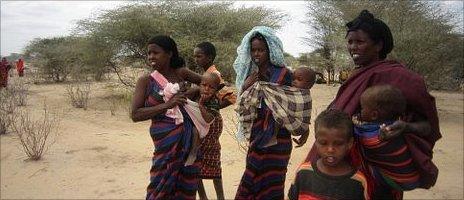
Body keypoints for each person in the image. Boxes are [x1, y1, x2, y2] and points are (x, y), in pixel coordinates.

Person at [305, 10, 440, 199]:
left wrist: (405, 127)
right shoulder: (356, 75)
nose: (353, 47)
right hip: (348, 168)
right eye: (350, 42)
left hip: (383, 172)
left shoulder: (399, 77)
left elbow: (427, 126)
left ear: (378, 45)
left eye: (360, 42)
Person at [234, 26, 308, 199]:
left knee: (273, 183)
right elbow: (244, 105)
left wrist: (304, 128)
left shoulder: (285, 75)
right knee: (250, 179)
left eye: (261, 50)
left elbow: (298, 102)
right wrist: (246, 86)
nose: (256, 54)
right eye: (253, 50)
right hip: (257, 135)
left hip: (279, 138)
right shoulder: (251, 75)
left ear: (270, 50)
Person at [131, 35, 203, 200]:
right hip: (165, 146)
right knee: (159, 188)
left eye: (155, 53)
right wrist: (167, 105)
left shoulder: (182, 73)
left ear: (170, 53)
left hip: (188, 143)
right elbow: (135, 114)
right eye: (149, 53)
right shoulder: (146, 81)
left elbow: (210, 84)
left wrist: (193, 91)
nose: (151, 57)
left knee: (186, 189)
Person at [288, 109, 369, 200]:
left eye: (338, 144)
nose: (330, 150)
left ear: (349, 144)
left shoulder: (358, 181)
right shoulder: (303, 172)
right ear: (316, 142)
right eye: (323, 143)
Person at [353, 84, 422, 191]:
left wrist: (354, 120)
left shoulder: (375, 137)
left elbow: (357, 132)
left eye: (362, 108)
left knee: (359, 169)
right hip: (412, 177)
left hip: (397, 181)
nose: (360, 112)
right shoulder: (397, 124)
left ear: (374, 115)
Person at [193, 42, 234, 200]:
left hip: (209, 120)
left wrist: (214, 108)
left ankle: (217, 197)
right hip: (204, 118)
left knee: (204, 157)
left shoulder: (214, 74)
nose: (196, 59)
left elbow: (231, 97)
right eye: (195, 56)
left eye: (199, 56)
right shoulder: (207, 72)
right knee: (201, 157)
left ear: (209, 57)